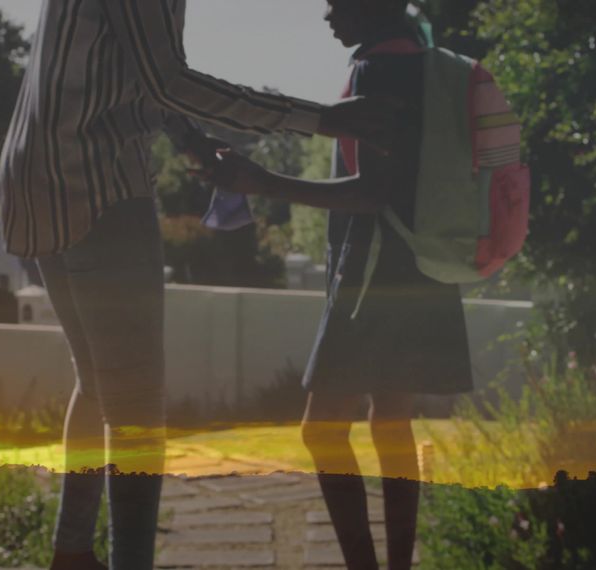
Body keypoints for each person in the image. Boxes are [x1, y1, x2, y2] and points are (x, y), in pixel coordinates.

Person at [0, 1, 402, 569]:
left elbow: (129, 71)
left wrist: (186, 136)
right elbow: (167, 80)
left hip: (34, 178)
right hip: (99, 185)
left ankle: (72, 553)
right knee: (136, 409)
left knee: (97, 383)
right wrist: (323, 119)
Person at [196, 1, 473, 568]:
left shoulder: (378, 69)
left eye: (335, 2)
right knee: (391, 424)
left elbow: (372, 192)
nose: (326, 15)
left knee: (321, 431)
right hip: (420, 267)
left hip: (373, 274)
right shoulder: (420, 62)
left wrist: (262, 181)